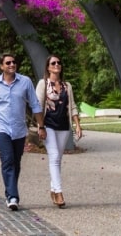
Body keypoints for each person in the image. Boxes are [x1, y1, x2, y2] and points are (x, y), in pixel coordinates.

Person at [0, 53, 45, 211]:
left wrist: (41, 125)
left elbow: (35, 105)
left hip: (19, 129)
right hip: (1, 128)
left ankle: (10, 191)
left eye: (14, 62)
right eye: (8, 62)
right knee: (8, 160)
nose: (11, 64)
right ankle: (12, 196)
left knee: (16, 162)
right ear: (1, 66)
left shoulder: (25, 82)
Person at [35, 54, 82, 208]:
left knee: (57, 159)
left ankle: (54, 189)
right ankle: (59, 192)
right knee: (54, 156)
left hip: (63, 126)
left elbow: (73, 106)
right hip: (48, 125)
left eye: (59, 62)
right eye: (53, 63)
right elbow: (37, 106)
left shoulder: (67, 86)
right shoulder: (43, 83)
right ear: (48, 67)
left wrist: (77, 125)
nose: (56, 65)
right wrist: (40, 126)